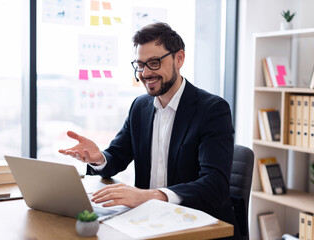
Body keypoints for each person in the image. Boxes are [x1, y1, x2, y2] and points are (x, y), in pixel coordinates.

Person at [59, 22, 240, 238]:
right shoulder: (140, 107)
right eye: (140, 65)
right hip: (148, 223)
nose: (145, 73)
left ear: (179, 58)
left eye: (153, 63)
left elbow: (215, 186)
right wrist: (99, 159)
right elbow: (117, 156)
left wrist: (150, 196)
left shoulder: (212, 110)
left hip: (199, 227)